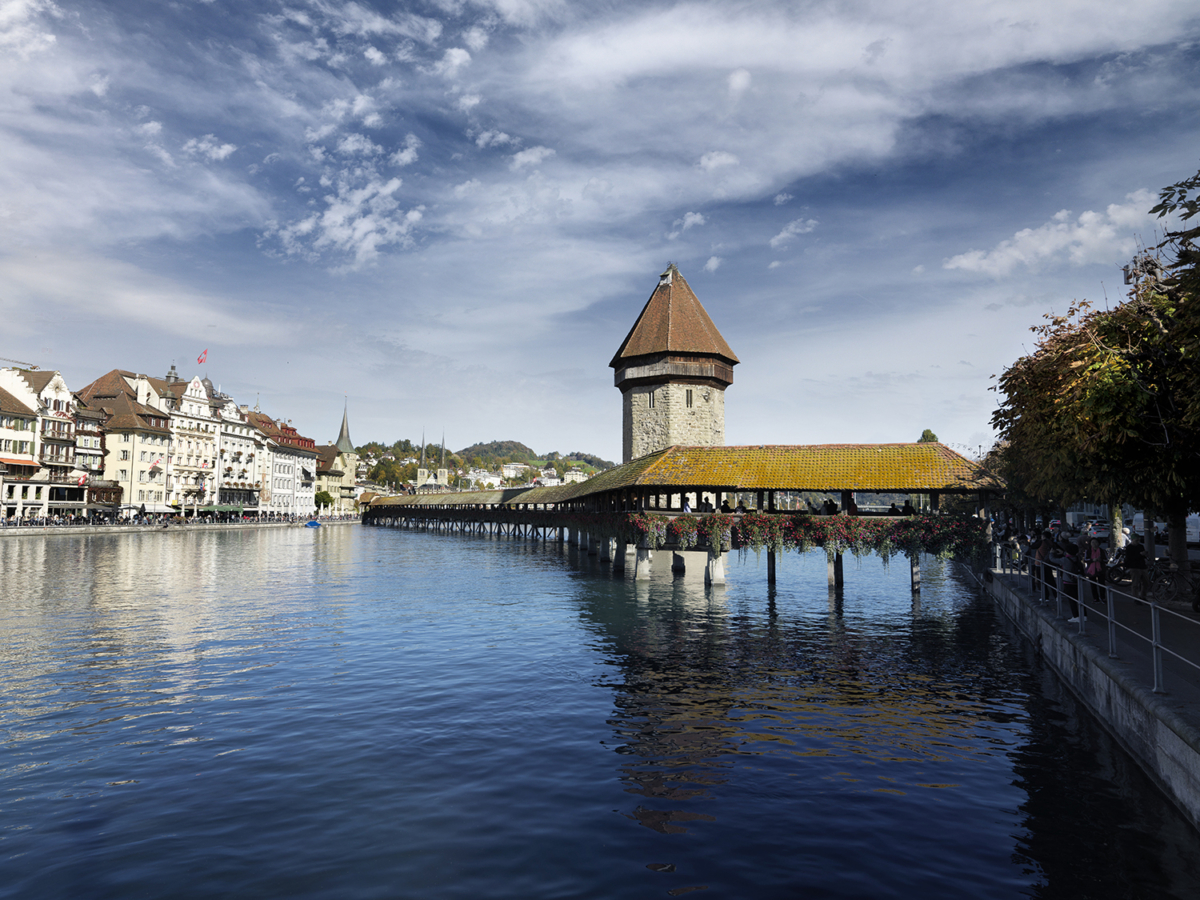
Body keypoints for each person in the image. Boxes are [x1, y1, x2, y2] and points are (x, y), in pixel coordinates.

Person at [1060, 542, 1082, 621]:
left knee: (1072, 600)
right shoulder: (1077, 558)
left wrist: (1051, 553)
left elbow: (1053, 560)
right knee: (1080, 599)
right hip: (1077, 580)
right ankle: (1084, 616)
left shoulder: (1065, 559)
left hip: (1068, 581)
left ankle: (1075, 616)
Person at [1124, 535, 1147, 604]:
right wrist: (1140, 554)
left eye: (1138, 540)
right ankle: (1136, 598)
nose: (1138, 542)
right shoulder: (1129, 548)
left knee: (1146, 582)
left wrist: (1145, 554)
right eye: (1136, 540)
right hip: (1134, 567)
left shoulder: (1141, 546)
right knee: (1135, 583)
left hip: (1142, 566)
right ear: (1132, 540)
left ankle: (1143, 596)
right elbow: (1130, 557)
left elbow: (1143, 555)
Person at [1084, 537, 1106, 606]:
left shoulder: (1102, 551)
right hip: (1091, 569)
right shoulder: (1088, 551)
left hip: (1100, 569)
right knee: (1093, 584)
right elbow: (1085, 559)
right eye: (1092, 542)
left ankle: (1103, 597)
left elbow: (1106, 560)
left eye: (1096, 542)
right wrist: (1092, 560)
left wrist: (1101, 560)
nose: (1094, 544)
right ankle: (1095, 598)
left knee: (1102, 584)